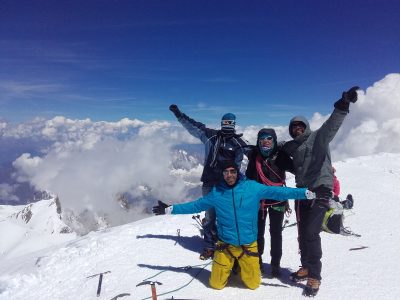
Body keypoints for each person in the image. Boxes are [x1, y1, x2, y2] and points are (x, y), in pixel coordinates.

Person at [152, 161, 316, 290]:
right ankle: (230, 267)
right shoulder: (216, 193)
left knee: (253, 285)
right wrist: (169, 209)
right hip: (225, 245)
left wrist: (304, 193)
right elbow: (195, 206)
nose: (229, 175)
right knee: (216, 284)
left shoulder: (252, 188)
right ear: (222, 174)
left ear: (238, 172)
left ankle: (237, 267)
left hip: (248, 245)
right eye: (226, 172)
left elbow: (279, 192)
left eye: (232, 171)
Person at [282, 86, 359, 297]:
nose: (297, 128)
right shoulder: (294, 148)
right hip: (302, 193)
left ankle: (314, 276)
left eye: (300, 126)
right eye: (293, 127)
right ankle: (305, 266)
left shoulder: (318, 137)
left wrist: (343, 105)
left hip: (321, 190)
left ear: (305, 127)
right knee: (302, 233)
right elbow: (285, 153)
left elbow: (332, 125)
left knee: (311, 232)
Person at [169, 104, 248, 260]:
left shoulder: (239, 143)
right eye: (225, 123)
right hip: (209, 183)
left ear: (233, 125)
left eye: (229, 123)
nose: (227, 126)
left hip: (226, 186)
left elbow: (247, 160)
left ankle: (224, 243)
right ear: (221, 124)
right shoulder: (211, 136)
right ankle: (209, 246)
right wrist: (179, 115)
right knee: (210, 216)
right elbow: (194, 126)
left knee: (226, 216)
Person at [245, 128, 294, 277]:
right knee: (258, 233)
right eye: (262, 139)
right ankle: (257, 262)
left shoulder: (281, 156)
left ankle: (275, 265)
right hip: (258, 201)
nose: (265, 141)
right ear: (258, 141)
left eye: (269, 138)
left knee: (276, 232)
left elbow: (297, 169)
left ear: (274, 140)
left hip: (277, 200)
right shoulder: (254, 156)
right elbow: (249, 177)